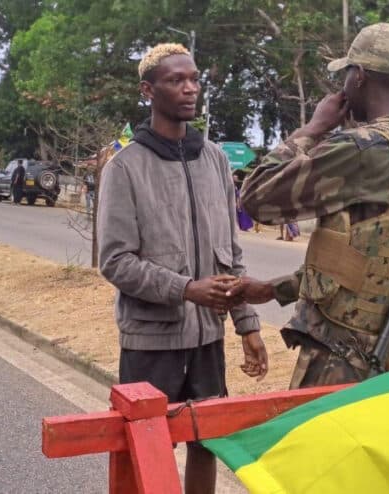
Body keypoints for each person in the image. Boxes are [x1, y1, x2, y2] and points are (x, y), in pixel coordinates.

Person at [226, 23, 389, 388]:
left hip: (336, 359)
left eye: (345, 75)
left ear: (358, 77)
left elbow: (256, 199)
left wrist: (311, 130)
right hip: (381, 357)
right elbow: (361, 261)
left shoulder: (362, 148)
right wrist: (276, 289)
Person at [97, 43, 268, 494]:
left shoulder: (213, 159)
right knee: (144, 446)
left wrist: (246, 325)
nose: (190, 88)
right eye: (176, 80)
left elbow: (229, 252)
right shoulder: (125, 167)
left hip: (207, 337)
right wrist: (186, 288)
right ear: (147, 91)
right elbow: (114, 261)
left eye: (194, 78)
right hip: (151, 340)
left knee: (205, 442)